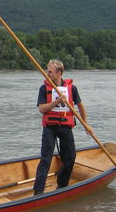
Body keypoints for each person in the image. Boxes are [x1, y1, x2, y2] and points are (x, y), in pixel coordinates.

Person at [33, 59, 88, 195]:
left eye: (50, 72)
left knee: (70, 157)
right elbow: (41, 109)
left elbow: (80, 106)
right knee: (46, 158)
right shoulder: (44, 88)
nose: (47, 74)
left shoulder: (72, 88)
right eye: (47, 71)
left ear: (59, 73)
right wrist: (57, 101)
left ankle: (62, 186)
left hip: (65, 127)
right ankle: (38, 192)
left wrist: (86, 124)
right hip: (50, 127)